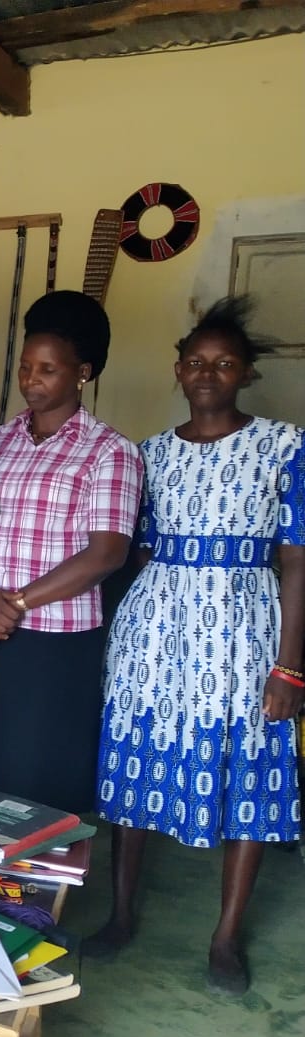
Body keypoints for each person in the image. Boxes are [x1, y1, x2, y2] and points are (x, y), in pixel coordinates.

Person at [90, 297, 303, 996]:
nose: (207, 373)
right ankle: (120, 914)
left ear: (243, 373)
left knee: (249, 774)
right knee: (134, 768)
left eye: (223, 364)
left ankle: (225, 936)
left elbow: (297, 563)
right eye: (195, 362)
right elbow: (131, 552)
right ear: (178, 371)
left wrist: (290, 665)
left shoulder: (284, 446)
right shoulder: (147, 454)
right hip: (154, 630)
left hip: (244, 634)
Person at [0, 292, 142, 812]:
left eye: (49, 370)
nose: (32, 381)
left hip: (54, 641)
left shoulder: (110, 450)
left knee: (38, 774)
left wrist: (9, 606)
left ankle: (33, 891)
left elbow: (106, 553)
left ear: (81, 373)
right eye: (26, 368)